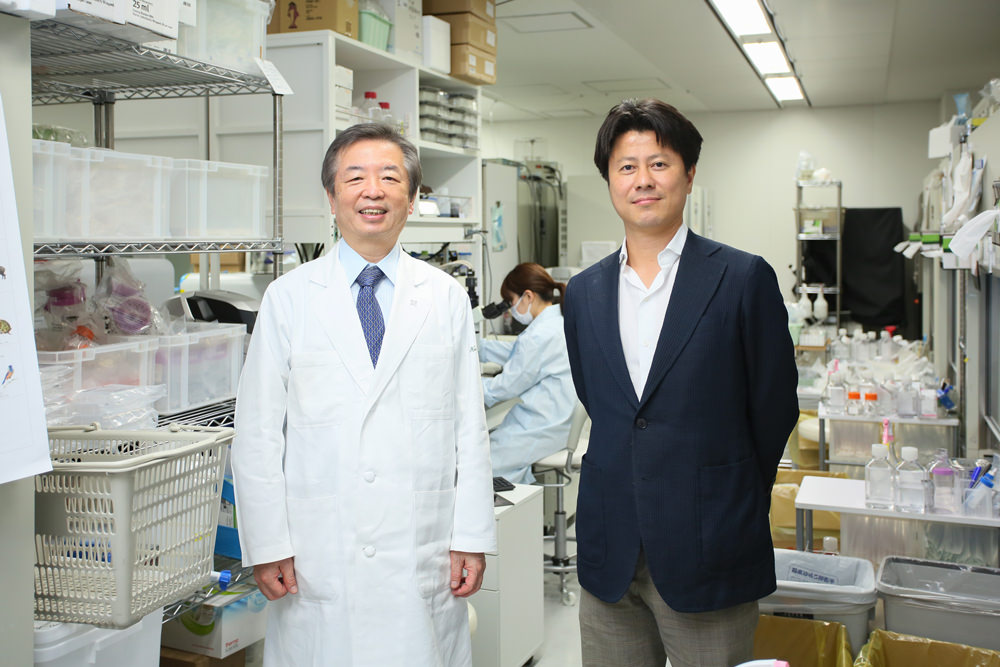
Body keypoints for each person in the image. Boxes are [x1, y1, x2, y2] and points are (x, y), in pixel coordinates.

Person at [231, 123, 496, 667]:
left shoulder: (444, 297)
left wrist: (471, 534)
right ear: (331, 198)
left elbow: (469, 427)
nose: (372, 191)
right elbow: (257, 432)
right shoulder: (288, 298)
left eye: (390, 177)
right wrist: (267, 542)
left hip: (419, 545)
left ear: (412, 198)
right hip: (319, 550)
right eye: (355, 178)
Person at [562, 98, 799, 667]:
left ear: (689, 174)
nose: (642, 180)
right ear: (610, 179)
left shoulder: (742, 278)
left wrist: (728, 496)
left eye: (659, 164)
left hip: (710, 544)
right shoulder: (584, 292)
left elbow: (774, 411)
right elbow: (602, 402)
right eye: (626, 166)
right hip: (610, 548)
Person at [479, 262, 576, 484]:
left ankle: (514, 505)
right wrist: (479, 348)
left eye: (511, 301)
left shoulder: (538, 336)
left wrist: (462, 388)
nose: (510, 309)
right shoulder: (559, 321)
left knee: (483, 464)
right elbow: (519, 354)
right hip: (562, 423)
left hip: (543, 426)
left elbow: (504, 388)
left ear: (528, 296)